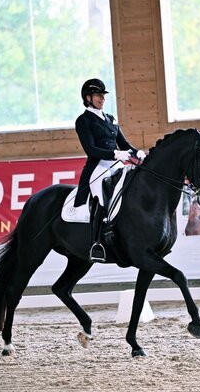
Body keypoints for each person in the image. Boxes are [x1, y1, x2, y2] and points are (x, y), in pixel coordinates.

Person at [74, 78, 146, 263]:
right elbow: (90, 149)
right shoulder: (83, 120)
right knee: (101, 195)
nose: (102, 99)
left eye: (103, 95)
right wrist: (114, 154)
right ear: (88, 98)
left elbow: (124, 143)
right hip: (98, 167)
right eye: (98, 95)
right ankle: (96, 243)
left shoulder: (110, 119)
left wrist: (136, 151)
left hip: (117, 164)